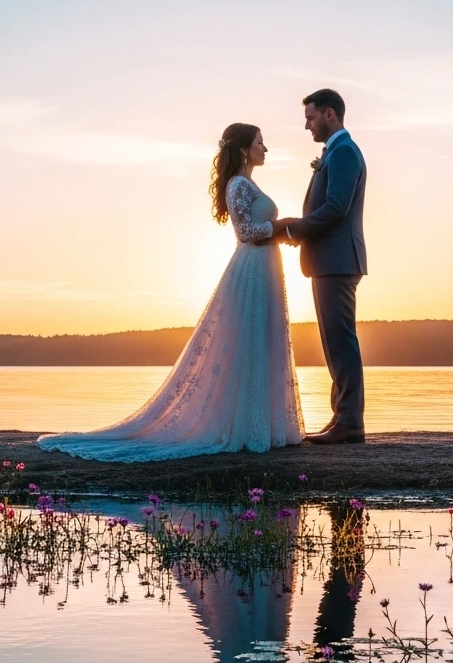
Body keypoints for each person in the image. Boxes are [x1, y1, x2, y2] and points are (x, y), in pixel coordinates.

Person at [37, 123, 303, 461]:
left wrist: (282, 234)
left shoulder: (249, 183)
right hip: (250, 268)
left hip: (266, 267)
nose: (265, 149)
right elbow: (246, 231)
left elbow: (258, 230)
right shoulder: (237, 185)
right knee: (247, 342)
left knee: (263, 340)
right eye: (260, 143)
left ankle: (264, 426)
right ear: (243, 149)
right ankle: (241, 427)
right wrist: (282, 225)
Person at [274, 89, 367, 444]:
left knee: (341, 341)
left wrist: (291, 229)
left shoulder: (344, 152)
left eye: (311, 118)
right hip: (330, 259)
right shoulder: (335, 152)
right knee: (334, 341)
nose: (308, 126)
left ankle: (349, 423)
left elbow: (335, 209)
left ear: (330, 114)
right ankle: (342, 417)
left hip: (337, 259)